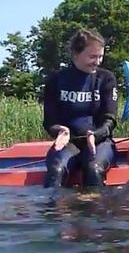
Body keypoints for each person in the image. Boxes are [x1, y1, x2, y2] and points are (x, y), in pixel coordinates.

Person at [42, 28, 118, 188]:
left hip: (100, 142)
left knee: (93, 170)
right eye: (92, 56)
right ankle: (54, 212)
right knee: (56, 170)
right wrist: (59, 130)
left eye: (100, 56)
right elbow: (49, 121)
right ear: (75, 54)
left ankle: (94, 211)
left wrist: (96, 134)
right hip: (69, 143)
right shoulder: (55, 80)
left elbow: (110, 119)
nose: (97, 62)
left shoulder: (106, 78)